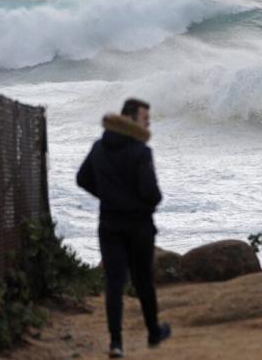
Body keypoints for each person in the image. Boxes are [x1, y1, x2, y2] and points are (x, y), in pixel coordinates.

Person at [76, 98, 171, 358]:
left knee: (114, 283)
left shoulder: (99, 146)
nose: (148, 123)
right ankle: (153, 332)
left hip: (109, 223)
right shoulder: (140, 151)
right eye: (144, 119)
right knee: (143, 281)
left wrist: (108, 196)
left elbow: (82, 178)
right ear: (130, 119)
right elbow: (150, 192)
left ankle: (116, 343)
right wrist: (149, 202)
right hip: (139, 225)